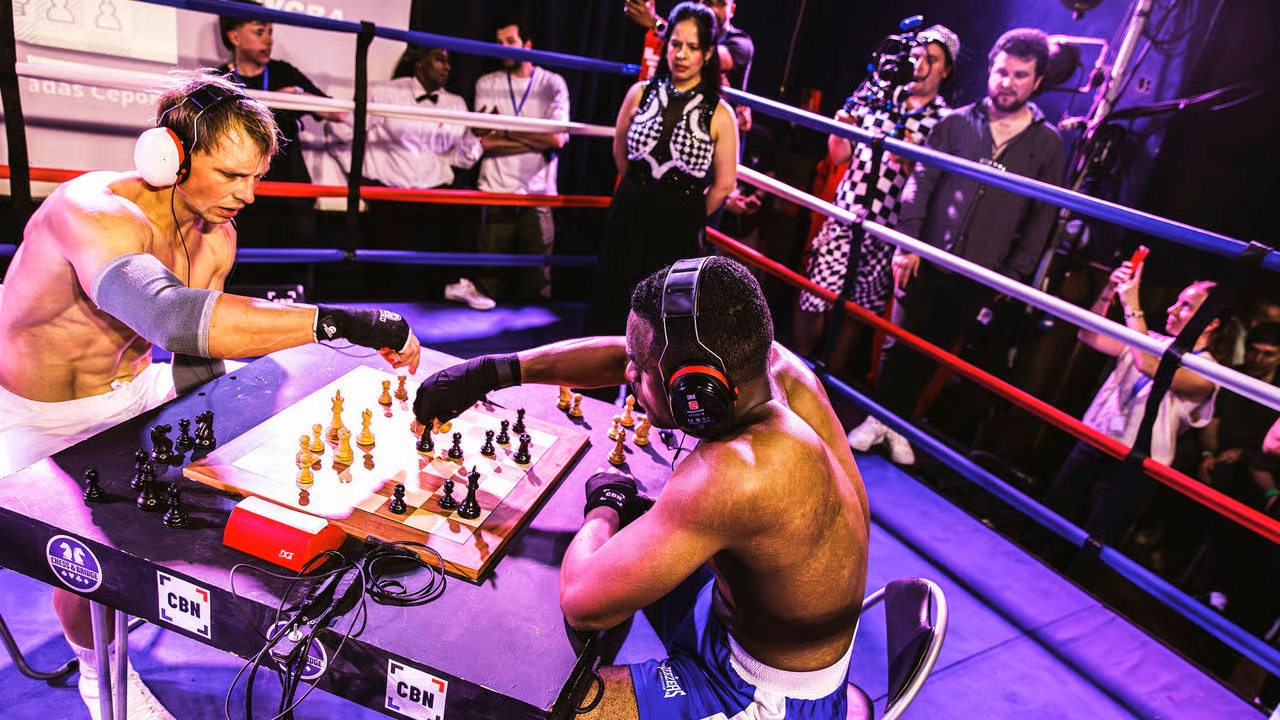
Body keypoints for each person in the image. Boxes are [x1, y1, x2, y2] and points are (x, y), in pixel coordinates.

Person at [0, 72, 420, 720]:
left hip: (131, 389)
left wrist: (235, 448)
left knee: (269, 404)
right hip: (33, 417)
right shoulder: (91, 212)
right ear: (169, 153)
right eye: (230, 175)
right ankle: (94, 673)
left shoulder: (215, 236)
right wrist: (344, 321)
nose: (247, 195)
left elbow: (197, 362)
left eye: (255, 178)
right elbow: (169, 317)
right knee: (88, 549)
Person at [411, 256, 869, 718]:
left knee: (521, 703)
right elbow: (626, 356)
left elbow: (582, 603)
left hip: (760, 695)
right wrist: (495, 370)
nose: (627, 375)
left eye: (639, 368)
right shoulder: (778, 371)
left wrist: (604, 506)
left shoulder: (735, 473)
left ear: (694, 388)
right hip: (743, 623)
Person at [845, 28, 1065, 466]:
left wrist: (1016, 274)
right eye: (1002, 71)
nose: (1007, 82)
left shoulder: (1048, 144)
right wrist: (906, 243)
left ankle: (898, 425)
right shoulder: (954, 123)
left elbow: (1044, 216)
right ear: (990, 70)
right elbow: (920, 183)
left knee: (935, 352)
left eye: (1020, 75)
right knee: (899, 343)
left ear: (1037, 82)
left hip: (979, 271)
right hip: (925, 256)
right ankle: (876, 419)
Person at [793, 25, 959, 377]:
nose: (919, 64)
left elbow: (943, 183)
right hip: (847, 212)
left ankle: (826, 388)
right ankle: (792, 373)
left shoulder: (945, 120)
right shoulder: (881, 92)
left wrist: (915, 159)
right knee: (813, 298)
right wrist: (841, 127)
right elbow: (838, 154)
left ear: (946, 70)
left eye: (931, 59)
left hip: (889, 228)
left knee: (857, 311)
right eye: (916, 55)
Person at [583, 1, 739, 338]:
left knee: (664, 323)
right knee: (612, 303)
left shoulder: (721, 113)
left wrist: (689, 213)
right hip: (629, 210)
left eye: (693, 47)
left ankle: (649, 392)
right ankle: (595, 387)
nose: (681, 55)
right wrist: (636, 190)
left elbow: (725, 184)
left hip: (679, 225)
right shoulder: (639, 93)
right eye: (676, 44)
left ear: (708, 53)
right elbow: (620, 151)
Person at [1042, 259, 1219, 548]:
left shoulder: (1208, 372)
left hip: (1134, 465)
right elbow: (1089, 334)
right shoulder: (1149, 338)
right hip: (1094, 441)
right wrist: (1109, 291)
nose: (1172, 309)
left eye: (1186, 305)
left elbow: (1148, 365)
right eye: (1176, 302)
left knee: (1092, 543)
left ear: (1211, 322)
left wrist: (1131, 303)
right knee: (1050, 521)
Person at [324, 45, 492, 309]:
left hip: (436, 188)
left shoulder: (456, 103)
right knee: (383, 270)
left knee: (471, 209)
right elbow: (340, 135)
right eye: (440, 60)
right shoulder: (386, 93)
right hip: (392, 189)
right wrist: (361, 177)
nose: (447, 67)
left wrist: (475, 135)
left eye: (449, 61)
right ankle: (374, 309)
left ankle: (459, 283)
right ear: (419, 63)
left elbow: (461, 159)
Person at [216, 1, 344, 248]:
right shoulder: (219, 80)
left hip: (290, 192)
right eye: (259, 32)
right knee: (245, 266)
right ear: (235, 37)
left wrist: (295, 94)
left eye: (271, 32)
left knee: (295, 265)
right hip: (240, 193)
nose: (268, 40)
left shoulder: (283, 72)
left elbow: (339, 114)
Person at [473, 18, 571, 302]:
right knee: (489, 279)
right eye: (499, 42)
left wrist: (504, 128)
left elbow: (557, 139)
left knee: (538, 280)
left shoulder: (552, 83)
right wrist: (534, 135)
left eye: (510, 41)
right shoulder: (487, 83)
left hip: (538, 190)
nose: (503, 48)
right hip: (496, 187)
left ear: (527, 45)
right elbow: (484, 140)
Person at [1195, 322, 1280, 615]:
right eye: (1254, 352)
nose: (1258, 360)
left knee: (1236, 496)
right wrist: (1209, 453)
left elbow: (1271, 449)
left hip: (1255, 467)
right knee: (1204, 473)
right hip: (1222, 454)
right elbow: (1211, 421)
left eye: (1267, 354)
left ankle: (1220, 587)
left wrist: (1243, 454)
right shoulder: (1235, 375)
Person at [625, 0, 754, 131]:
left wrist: (656, 23)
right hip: (680, 117)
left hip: (717, 124)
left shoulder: (740, 43)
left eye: (721, 4)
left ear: (731, 10)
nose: (713, 10)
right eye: (708, 3)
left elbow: (707, 58)